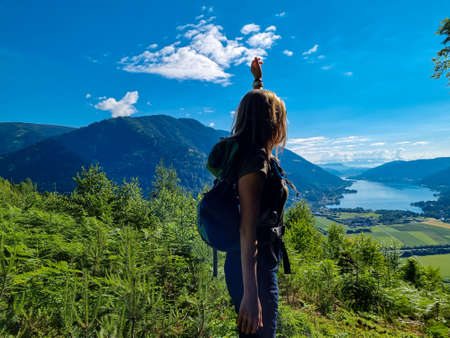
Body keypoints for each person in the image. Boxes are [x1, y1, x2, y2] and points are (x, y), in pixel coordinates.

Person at [224, 57, 289, 337]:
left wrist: (258, 80)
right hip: (254, 269)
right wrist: (251, 297)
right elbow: (247, 229)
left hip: (251, 264)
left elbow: (257, 105)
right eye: (279, 117)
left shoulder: (251, 153)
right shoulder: (256, 163)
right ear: (271, 122)